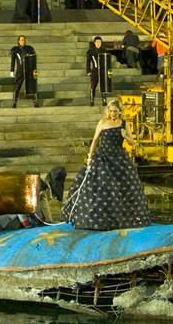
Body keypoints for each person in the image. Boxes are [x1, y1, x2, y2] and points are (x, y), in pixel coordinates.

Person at [59, 98, 153, 231]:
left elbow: (132, 142)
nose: (113, 113)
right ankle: (95, 219)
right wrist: (90, 156)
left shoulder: (124, 123)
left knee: (125, 186)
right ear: (108, 111)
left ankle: (122, 219)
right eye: (111, 111)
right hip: (102, 157)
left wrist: (125, 136)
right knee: (99, 186)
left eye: (115, 111)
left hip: (119, 158)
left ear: (120, 112)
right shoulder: (102, 122)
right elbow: (95, 140)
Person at [9, 34, 39, 106]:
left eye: (24, 40)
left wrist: (34, 70)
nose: (23, 41)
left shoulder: (29, 49)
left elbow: (33, 58)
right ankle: (14, 102)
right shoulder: (15, 50)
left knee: (31, 86)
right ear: (18, 41)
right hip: (20, 70)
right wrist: (12, 70)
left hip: (28, 70)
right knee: (17, 86)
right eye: (22, 40)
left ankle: (35, 102)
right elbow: (13, 60)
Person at [84, 34, 115, 103]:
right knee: (93, 85)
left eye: (100, 42)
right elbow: (88, 62)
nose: (98, 43)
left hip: (103, 70)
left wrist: (109, 71)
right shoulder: (90, 51)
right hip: (95, 70)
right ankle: (92, 100)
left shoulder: (104, 51)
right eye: (97, 42)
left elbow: (108, 61)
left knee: (103, 85)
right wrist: (88, 70)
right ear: (95, 43)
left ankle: (104, 100)